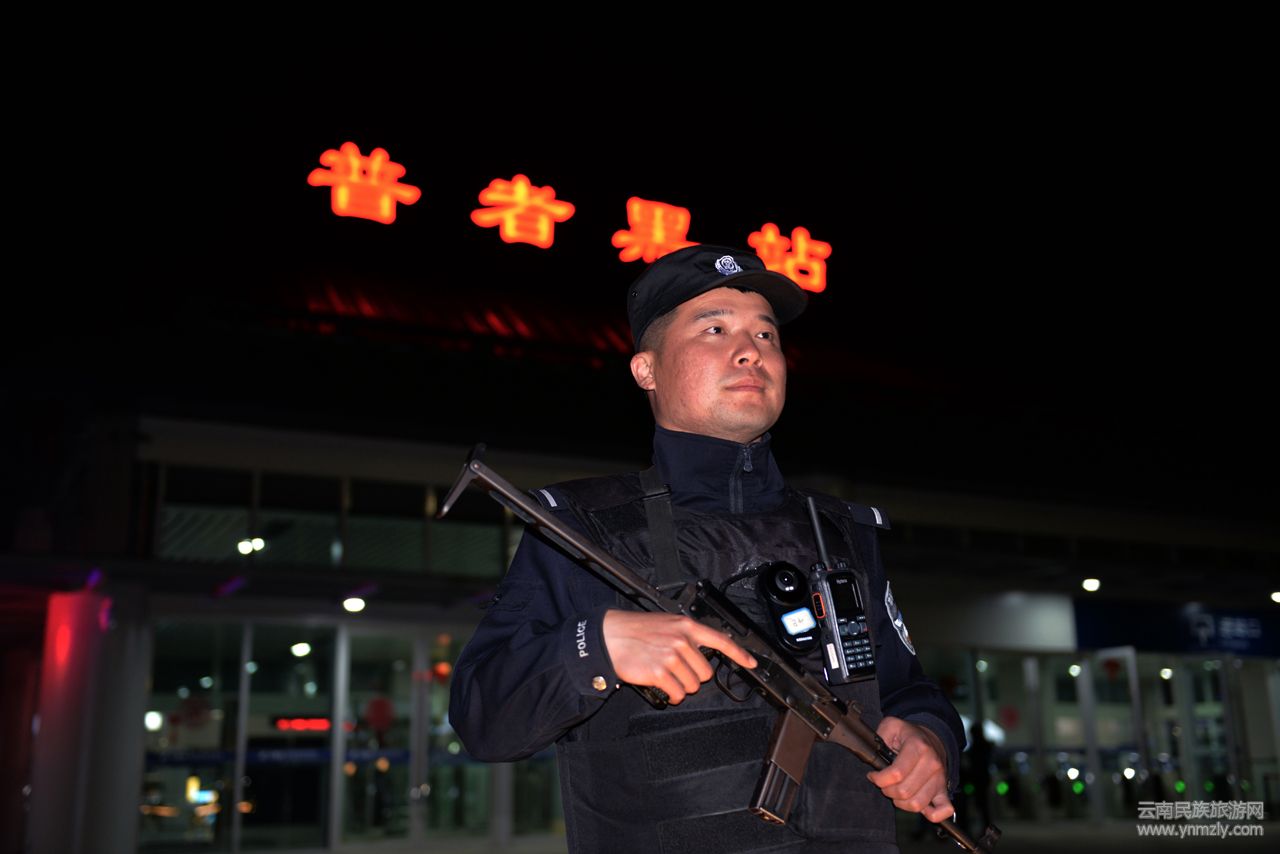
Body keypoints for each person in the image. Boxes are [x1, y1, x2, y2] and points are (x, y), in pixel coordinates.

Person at [449, 244, 964, 853]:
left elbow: (907, 689)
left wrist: (930, 738)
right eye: (714, 329)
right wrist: (596, 647)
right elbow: (483, 720)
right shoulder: (581, 529)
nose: (751, 351)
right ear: (647, 370)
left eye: (766, 334)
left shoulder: (841, 531)